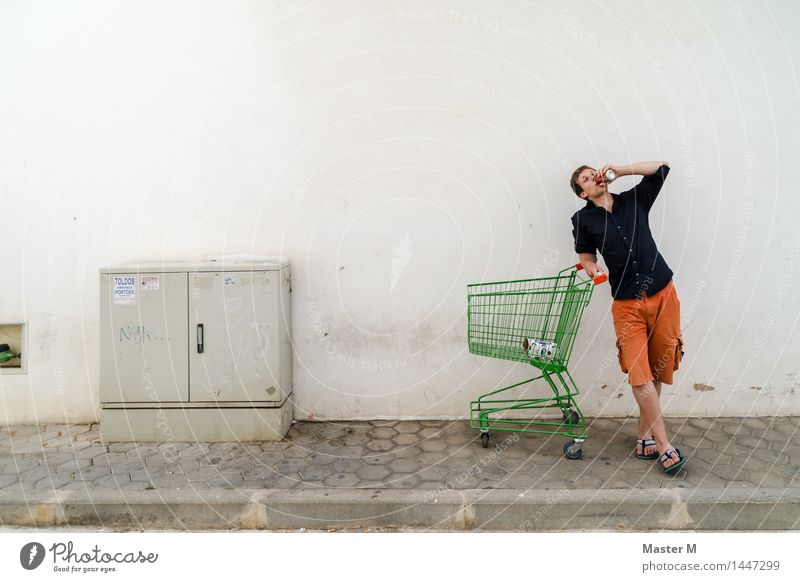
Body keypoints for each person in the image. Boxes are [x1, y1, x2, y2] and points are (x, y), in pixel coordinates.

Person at [569, 161, 686, 474]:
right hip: (625, 302)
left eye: (593, 171)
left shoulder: (634, 200)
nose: (592, 175)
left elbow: (661, 168)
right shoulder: (583, 219)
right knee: (639, 374)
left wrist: (621, 170)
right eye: (585, 177)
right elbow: (585, 254)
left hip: (662, 291)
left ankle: (644, 435)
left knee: (659, 367)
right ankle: (664, 446)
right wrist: (592, 268)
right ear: (583, 192)